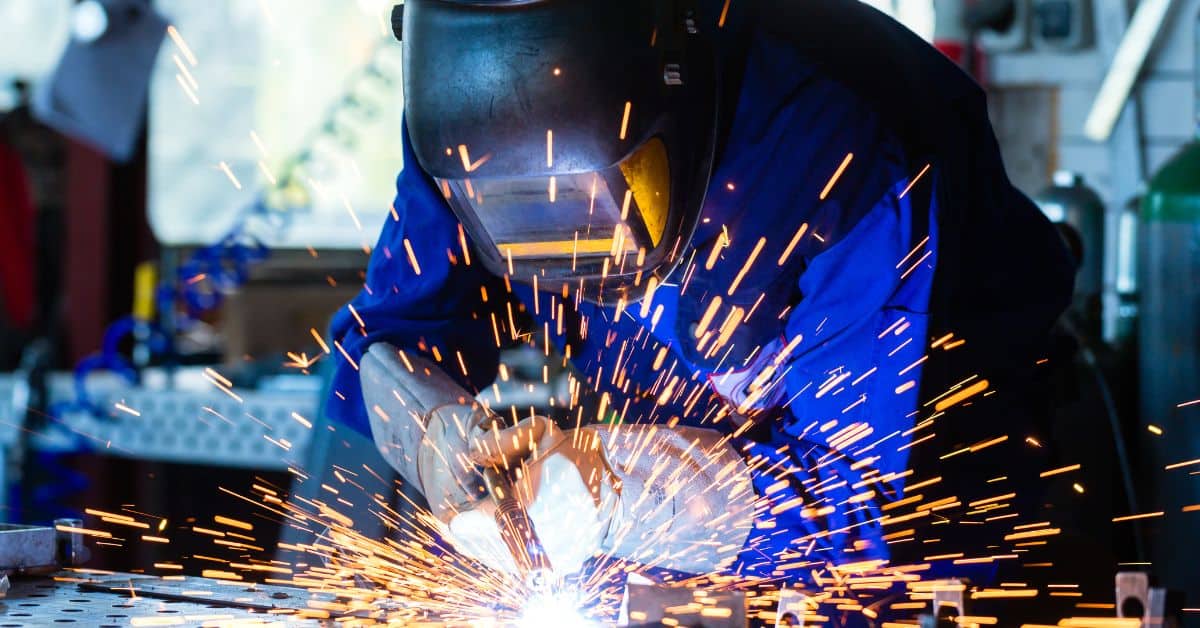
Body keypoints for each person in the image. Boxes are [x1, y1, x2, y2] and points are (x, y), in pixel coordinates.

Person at [327, 0, 1074, 614]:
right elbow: (393, 338)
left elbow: (860, 504)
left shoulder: (839, 144)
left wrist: (619, 488)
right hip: (669, 532)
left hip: (925, 526)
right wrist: (434, 434)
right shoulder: (464, 126)